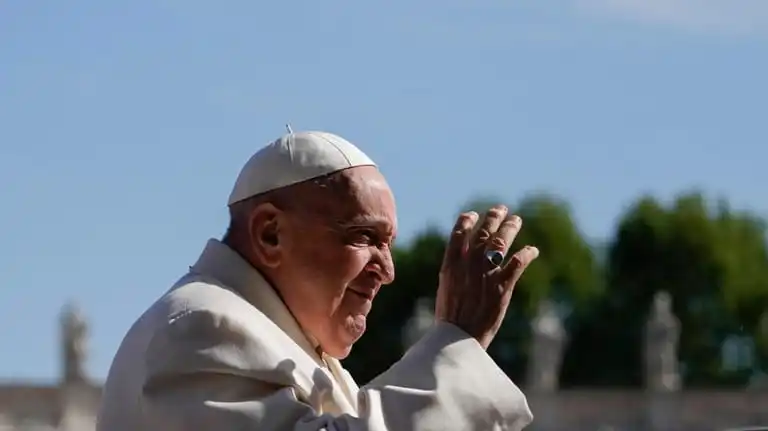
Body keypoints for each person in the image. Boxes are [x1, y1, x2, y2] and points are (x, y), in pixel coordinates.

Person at [96, 130, 540, 431]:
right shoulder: (199, 327)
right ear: (271, 233)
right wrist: (454, 346)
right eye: (365, 237)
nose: (387, 272)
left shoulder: (315, 363)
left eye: (390, 246)